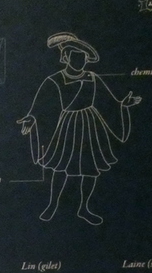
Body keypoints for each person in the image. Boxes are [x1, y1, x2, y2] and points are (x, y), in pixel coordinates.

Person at [18, 32, 141, 225]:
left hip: (90, 125)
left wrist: (123, 104)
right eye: (75, 56)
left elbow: (109, 101)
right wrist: (31, 118)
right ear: (66, 57)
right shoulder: (54, 80)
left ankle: (84, 208)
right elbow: (41, 105)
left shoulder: (93, 78)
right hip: (67, 126)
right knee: (61, 167)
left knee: (89, 168)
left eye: (83, 57)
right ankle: (52, 205)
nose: (80, 60)